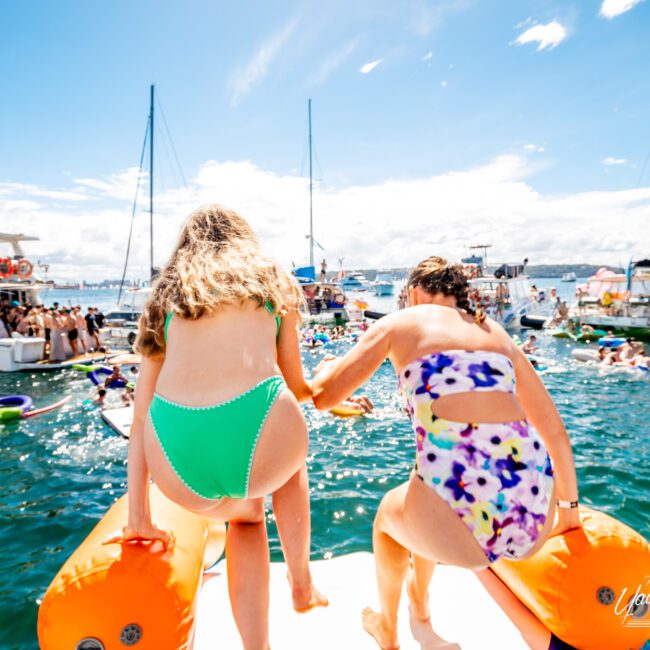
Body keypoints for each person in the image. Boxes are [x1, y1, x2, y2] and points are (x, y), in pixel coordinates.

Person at [312, 256, 580, 650]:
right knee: (420, 486)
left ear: (414, 293)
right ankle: (421, 612)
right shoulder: (496, 334)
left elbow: (322, 397)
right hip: (535, 518)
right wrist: (569, 514)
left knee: (388, 517)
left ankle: (389, 629)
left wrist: (326, 366)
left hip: (464, 534)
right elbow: (555, 433)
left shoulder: (399, 322)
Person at [118, 205, 326, 649]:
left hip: (178, 459)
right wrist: (326, 381)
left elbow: (140, 415)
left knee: (245, 517)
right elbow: (294, 384)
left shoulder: (165, 297)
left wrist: (140, 516)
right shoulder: (272, 280)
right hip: (262, 441)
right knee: (290, 455)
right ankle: (301, 580)